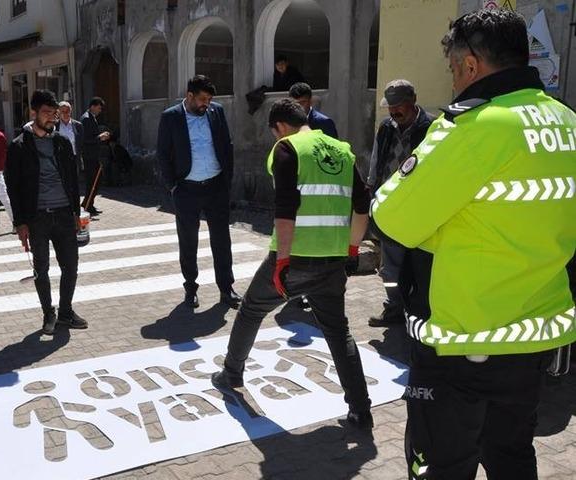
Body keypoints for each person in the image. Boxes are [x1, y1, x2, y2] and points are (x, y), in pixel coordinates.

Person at [371, 9, 576, 478]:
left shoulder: (474, 127)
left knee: (440, 466)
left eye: (452, 69)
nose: (453, 80)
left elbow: (393, 217)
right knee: (511, 457)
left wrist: (442, 224)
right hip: (532, 338)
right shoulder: (566, 122)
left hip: (461, 342)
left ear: (469, 65)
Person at [210, 99, 373, 429]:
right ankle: (360, 408)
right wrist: (352, 251)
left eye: (274, 133)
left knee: (252, 308)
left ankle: (232, 373)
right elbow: (362, 205)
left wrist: (282, 260)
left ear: (280, 127)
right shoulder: (343, 151)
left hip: (293, 259)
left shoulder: (287, 149)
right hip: (333, 260)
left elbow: (285, 210)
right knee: (338, 332)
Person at [156, 75, 241, 309]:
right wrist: (173, 185)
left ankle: (226, 289)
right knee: (188, 241)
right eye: (203, 99)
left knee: (222, 240)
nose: (207, 103)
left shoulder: (216, 112)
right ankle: (191, 288)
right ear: (189, 96)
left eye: (210, 99)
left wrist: (227, 180)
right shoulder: (171, 117)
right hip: (187, 188)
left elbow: (227, 145)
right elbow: (163, 153)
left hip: (215, 186)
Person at [6, 90, 87, 335]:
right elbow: (13, 187)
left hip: (64, 214)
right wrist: (19, 222)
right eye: (47, 113)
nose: (52, 118)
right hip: (37, 217)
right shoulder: (19, 146)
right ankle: (48, 314)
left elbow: (72, 180)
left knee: (70, 266)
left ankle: (65, 311)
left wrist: (77, 211)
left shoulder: (61, 143)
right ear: (33, 113)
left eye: (54, 113)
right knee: (41, 269)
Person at [365, 80, 436, 328]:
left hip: (420, 209)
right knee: (390, 268)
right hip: (391, 207)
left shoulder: (433, 128)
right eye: (390, 107)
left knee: (421, 264)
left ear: (413, 100)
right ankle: (394, 307)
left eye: (399, 106)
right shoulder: (386, 127)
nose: (394, 112)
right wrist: (372, 189)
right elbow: (376, 160)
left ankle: (419, 313)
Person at [80, 97, 110, 216]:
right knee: (92, 181)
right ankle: (87, 204)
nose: (100, 110)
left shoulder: (91, 118)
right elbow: (86, 139)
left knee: (96, 180)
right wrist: (100, 137)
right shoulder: (86, 119)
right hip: (89, 156)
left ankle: (88, 203)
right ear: (93, 106)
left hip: (93, 154)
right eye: (98, 108)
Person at [56, 101, 84, 171]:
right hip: (60, 159)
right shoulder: (54, 126)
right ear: (58, 113)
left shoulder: (78, 125)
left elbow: (81, 143)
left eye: (67, 111)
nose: (66, 114)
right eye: (63, 111)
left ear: (71, 111)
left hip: (74, 158)